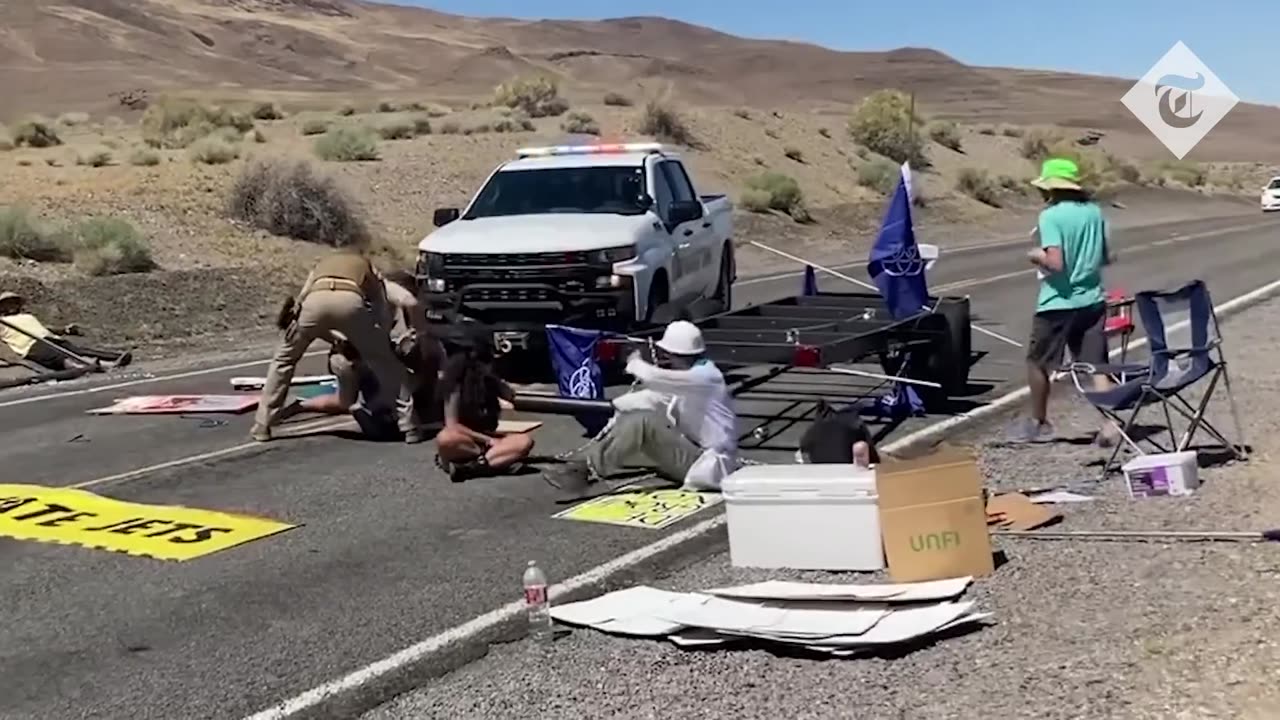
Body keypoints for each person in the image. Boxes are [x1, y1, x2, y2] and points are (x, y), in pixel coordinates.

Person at [545, 320, 738, 498]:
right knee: (638, 418)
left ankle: (584, 472)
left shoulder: (705, 377)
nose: (665, 357)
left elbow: (654, 378)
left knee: (643, 423)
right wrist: (617, 408)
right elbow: (654, 398)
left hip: (710, 467)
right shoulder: (692, 378)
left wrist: (634, 361)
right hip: (696, 457)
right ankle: (581, 467)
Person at [251, 250, 424, 444]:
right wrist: (380, 339)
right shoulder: (368, 268)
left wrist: (305, 331)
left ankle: (262, 424)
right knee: (387, 366)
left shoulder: (320, 267)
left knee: (283, 361)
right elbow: (380, 305)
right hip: (350, 304)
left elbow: (303, 300)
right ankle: (410, 426)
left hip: (315, 304)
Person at [1007, 157, 1115, 444]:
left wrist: (1035, 255)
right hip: (1092, 299)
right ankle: (1110, 424)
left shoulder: (1051, 217)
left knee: (1038, 362)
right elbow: (1107, 256)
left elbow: (1055, 263)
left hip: (1058, 301)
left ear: (1052, 188)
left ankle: (1039, 421)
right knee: (1095, 364)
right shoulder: (1095, 212)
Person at [281, 271, 444, 424]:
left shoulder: (357, 302)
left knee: (343, 401)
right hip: (357, 359)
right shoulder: (383, 304)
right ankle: (378, 408)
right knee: (409, 382)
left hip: (348, 358)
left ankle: (299, 406)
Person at [434, 339, 534, 482]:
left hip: (488, 440)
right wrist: (488, 440)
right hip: (467, 441)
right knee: (445, 438)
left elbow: (513, 398)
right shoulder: (455, 386)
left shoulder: (490, 381)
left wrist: (504, 387)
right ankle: (497, 463)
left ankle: (470, 468)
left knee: (524, 441)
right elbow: (453, 425)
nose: (490, 367)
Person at [0, 291, 132, 371]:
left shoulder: (27, 316)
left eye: (14, 303)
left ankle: (115, 357)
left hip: (48, 337)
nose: (12, 306)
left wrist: (65, 330)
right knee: (63, 358)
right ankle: (103, 366)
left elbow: (45, 328)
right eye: (8, 304)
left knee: (78, 351)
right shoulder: (2, 322)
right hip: (30, 345)